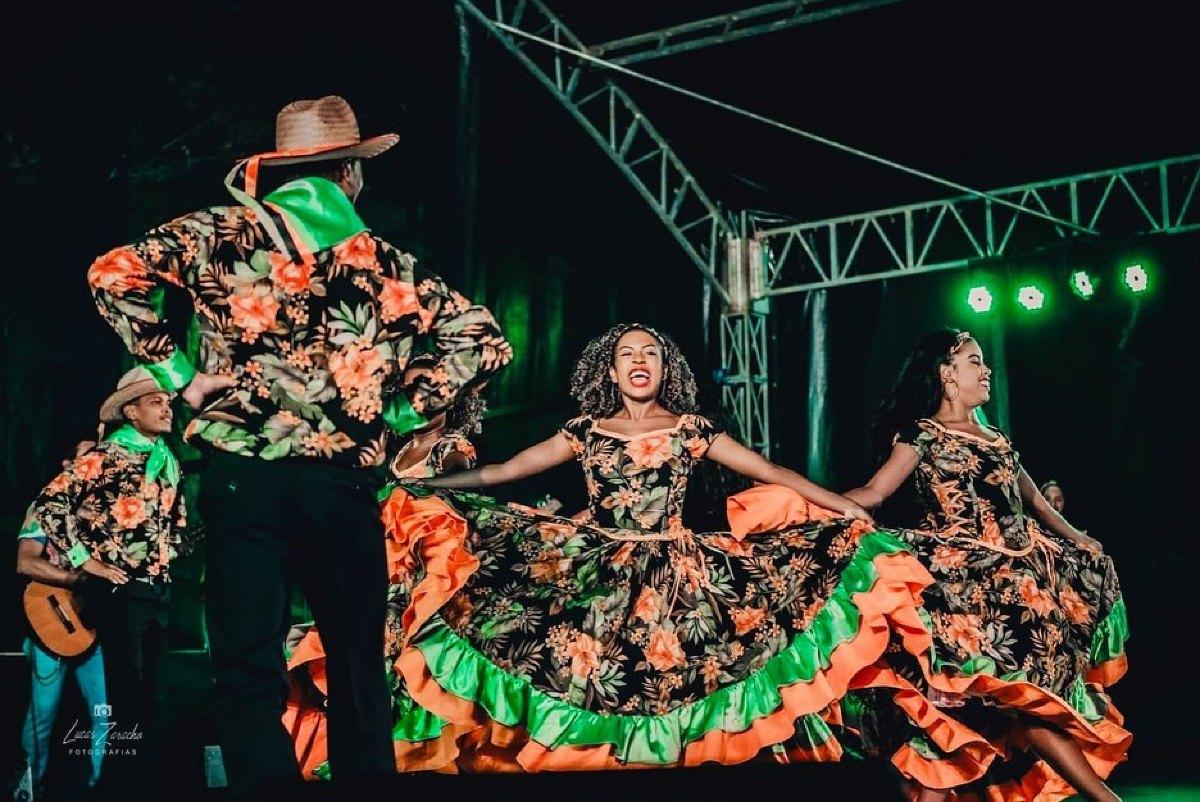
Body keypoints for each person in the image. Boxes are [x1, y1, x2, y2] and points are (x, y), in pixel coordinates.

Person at [85, 95, 512, 793]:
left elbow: (111, 274)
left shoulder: (217, 231)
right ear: (346, 174)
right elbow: (484, 339)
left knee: (247, 669)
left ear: (282, 172)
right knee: (355, 670)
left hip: (240, 482)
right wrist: (401, 411)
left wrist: (180, 377)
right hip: (340, 486)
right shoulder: (381, 262)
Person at [381, 323, 946, 771]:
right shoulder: (585, 429)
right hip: (598, 571)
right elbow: (503, 470)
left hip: (676, 573)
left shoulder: (689, 428)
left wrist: (840, 504)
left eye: (650, 353)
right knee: (596, 681)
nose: (640, 362)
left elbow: (769, 469)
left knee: (675, 682)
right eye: (629, 354)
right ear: (612, 369)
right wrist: (421, 487)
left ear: (663, 367)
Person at [843, 329, 1129, 802]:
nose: (986, 369)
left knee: (1026, 706)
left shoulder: (996, 439)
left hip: (1020, 594)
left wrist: (1079, 538)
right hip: (959, 596)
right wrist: (821, 505)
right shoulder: (922, 434)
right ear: (946, 374)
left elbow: (1035, 502)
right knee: (975, 718)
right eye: (975, 361)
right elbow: (875, 493)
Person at [284, 381, 486, 779]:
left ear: (456, 403)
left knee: (403, 656)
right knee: (368, 653)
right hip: (383, 564)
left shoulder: (452, 447)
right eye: (421, 397)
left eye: (441, 397)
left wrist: (418, 492)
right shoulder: (397, 450)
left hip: (420, 571)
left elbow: (457, 498)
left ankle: (404, 757)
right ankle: (369, 754)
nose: (429, 405)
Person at [30, 368, 196, 797]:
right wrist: (88, 562)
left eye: (168, 401)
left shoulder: (167, 458)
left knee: (152, 698)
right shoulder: (105, 456)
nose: (167, 409)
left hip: (159, 589)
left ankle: (142, 784)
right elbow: (50, 504)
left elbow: (174, 524)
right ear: (130, 410)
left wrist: (175, 550)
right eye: (156, 402)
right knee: (126, 699)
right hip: (121, 591)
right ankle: (119, 789)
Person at [13, 441, 108, 799]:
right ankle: (28, 789)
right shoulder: (46, 507)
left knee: (105, 714)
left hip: (99, 628)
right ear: (69, 464)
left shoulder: (118, 514)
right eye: (87, 458)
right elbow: (25, 562)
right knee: (43, 715)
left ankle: (102, 786)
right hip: (52, 620)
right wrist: (78, 581)